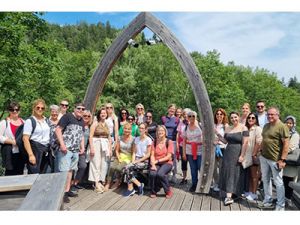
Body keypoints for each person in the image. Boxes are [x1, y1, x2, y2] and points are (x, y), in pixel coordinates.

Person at [259, 107, 289, 211]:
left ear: (278, 115)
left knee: (278, 182)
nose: (269, 116)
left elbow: (286, 144)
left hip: (275, 159)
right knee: (265, 179)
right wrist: (260, 151)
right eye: (268, 114)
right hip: (264, 156)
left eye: (272, 114)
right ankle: (268, 201)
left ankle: (280, 206)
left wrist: (283, 159)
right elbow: (264, 140)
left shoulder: (282, 126)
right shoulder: (266, 126)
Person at [55, 102, 85, 203]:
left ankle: (67, 191)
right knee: (63, 172)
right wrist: (62, 145)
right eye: (79, 108)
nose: (80, 110)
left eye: (82, 109)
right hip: (66, 149)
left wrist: (82, 147)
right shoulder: (67, 117)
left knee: (70, 171)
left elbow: (81, 135)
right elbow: (58, 130)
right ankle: (60, 193)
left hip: (75, 150)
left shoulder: (82, 121)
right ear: (74, 108)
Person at [217, 111, 249, 205]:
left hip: (238, 151)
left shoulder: (244, 127)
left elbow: (245, 143)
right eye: (232, 118)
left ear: (238, 117)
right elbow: (225, 141)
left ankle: (231, 195)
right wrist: (218, 136)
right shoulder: (228, 128)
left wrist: (242, 155)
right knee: (228, 171)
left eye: (235, 117)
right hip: (228, 152)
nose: (234, 119)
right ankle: (229, 193)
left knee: (236, 172)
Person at [123, 122, 152, 197]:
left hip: (144, 161)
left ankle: (131, 189)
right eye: (140, 128)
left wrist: (137, 161)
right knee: (126, 168)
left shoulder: (148, 140)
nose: (140, 129)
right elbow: (134, 152)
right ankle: (138, 185)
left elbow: (148, 154)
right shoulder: (136, 139)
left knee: (128, 169)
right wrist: (133, 161)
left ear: (146, 130)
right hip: (136, 160)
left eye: (142, 128)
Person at [23, 99, 51, 174]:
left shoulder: (46, 120)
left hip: (46, 150)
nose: (40, 109)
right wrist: (31, 155)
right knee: (34, 174)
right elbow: (25, 139)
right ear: (34, 108)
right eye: (38, 107)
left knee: (43, 174)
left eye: (42, 108)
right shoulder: (30, 121)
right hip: (35, 149)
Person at [88, 107, 112, 193]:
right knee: (96, 163)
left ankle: (100, 180)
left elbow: (109, 137)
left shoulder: (107, 124)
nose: (103, 114)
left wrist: (110, 148)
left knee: (103, 164)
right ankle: (96, 182)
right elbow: (90, 136)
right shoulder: (95, 123)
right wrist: (91, 148)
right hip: (96, 143)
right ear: (99, 114)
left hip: (104, 144)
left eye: (105, 113)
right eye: (102, 113)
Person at [105, 122, 134, 191]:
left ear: (131, 130)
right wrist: (118, 157)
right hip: (120, 156)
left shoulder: (133, 139)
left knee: (119, 168)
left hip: (128, 158)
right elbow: (117, 150)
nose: (127, 130)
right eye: (125, 129)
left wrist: (132, 161)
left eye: (128, 129)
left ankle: (118, 181)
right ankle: (108, 183)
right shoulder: (120, 138)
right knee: (112, 167)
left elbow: (133, 152)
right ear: (123, 129)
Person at [0, 101, 25, 176]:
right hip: (9, 152)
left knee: (20, 172)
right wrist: (11, 141)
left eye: (16, 110)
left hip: (21, 151)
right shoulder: (4, 122)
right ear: (9, 111)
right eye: (12, 110)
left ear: (19, 111)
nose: (14, 111)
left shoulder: (24, 122)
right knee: (10, 173)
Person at [149, 125, 174, 199]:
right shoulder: (155, 141)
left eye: (162, 130)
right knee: (152, 173)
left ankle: (168, 190)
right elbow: (152, 155)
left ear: (165, 132)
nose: (160, 132)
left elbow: (169, 156)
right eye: (159, 130)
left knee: (160, 174)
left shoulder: (169, 142)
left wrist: (157, 161)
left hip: (167, 162)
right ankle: (153, 191)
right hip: (156, 162)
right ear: (157, 132)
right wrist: (153, 164)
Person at [182, 110, 203, 192]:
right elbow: (183, 141)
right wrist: (183, 153)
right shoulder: (186, 127)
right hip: (190, 151)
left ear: (196, 117)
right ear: (187, 117)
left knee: (200, 167)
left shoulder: (201, 126)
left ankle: (202, 184)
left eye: (193, 116)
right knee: (193, 168)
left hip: (200, 150)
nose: (191, 117)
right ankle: (194, 184)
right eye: (189, 116)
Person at [243, 112, 262, 201]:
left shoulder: (257, 129)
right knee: (250, 175)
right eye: (249, 117)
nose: (250, 119)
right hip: (247, 155)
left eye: (253, 118)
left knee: (255, 176)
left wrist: (254, 154)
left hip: (254, 155)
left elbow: (259, 142)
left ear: (256, 119)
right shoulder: (246, 128)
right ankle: (250, 191)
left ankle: (254, 193)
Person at [72, 109, 93, 190]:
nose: (86, 117)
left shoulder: (90, 127)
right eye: (85, 116)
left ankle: (75, 183)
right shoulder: (77, 124)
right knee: (73, 167)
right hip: (74, 148)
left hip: (83, 150)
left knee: (82, 166)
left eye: (88, 116)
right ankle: (69, 185)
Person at [282, 115, 300, 208]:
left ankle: (287, 200)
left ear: (293, 124)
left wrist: (280, 152)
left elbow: (291, 147)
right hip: (283, 160)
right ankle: (281, 199)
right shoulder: (282, 132)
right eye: (287, 122)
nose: (288, 124)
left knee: (288, 181)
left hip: (290, 162)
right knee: (282, 181)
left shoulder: (295, 135)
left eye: (290, 123)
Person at [161, 103, 179, 183]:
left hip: (174, 141)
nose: (172, 110)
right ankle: (167, 174)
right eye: (171, 108)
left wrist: (178, 143)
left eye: (174, 109)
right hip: (165, 141)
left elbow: (179, 132)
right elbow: (161, 129)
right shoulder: (163, 118)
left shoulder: (177, 119)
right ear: (168, 109)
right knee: (166, 157)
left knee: (174, 158)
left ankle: (174, 174)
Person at [212, 108, 229, 192]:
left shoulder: (225, 126)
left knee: (222, 167)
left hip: (222, 148)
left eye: (221, 114)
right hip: (213, 148)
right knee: (213, 167)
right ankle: (216, 182)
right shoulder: (213, 125)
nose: (219, 115)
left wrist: (218, 135)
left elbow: (226, 140)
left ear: (224, 116)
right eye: (217, 114)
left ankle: (221, 184)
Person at [176, 108, 191, 184]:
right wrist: (177, 145)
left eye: (187, 114)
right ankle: (184, 178)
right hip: (183, 145)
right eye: (184, 114)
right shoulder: (181, 123)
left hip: (192, 146)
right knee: (184, 162)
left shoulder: (193, 122)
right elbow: (178, 134)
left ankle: (194, 178)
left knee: (192, 162)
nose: (185, 115)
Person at [48, 104, 60, 172]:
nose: (54, 113)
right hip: (48, 147)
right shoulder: (46, 121)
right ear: (50, 112)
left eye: (56, 111)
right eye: (53, 111)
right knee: (48, 168)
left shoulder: (61, 122)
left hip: (58, 147)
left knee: (57, 166)